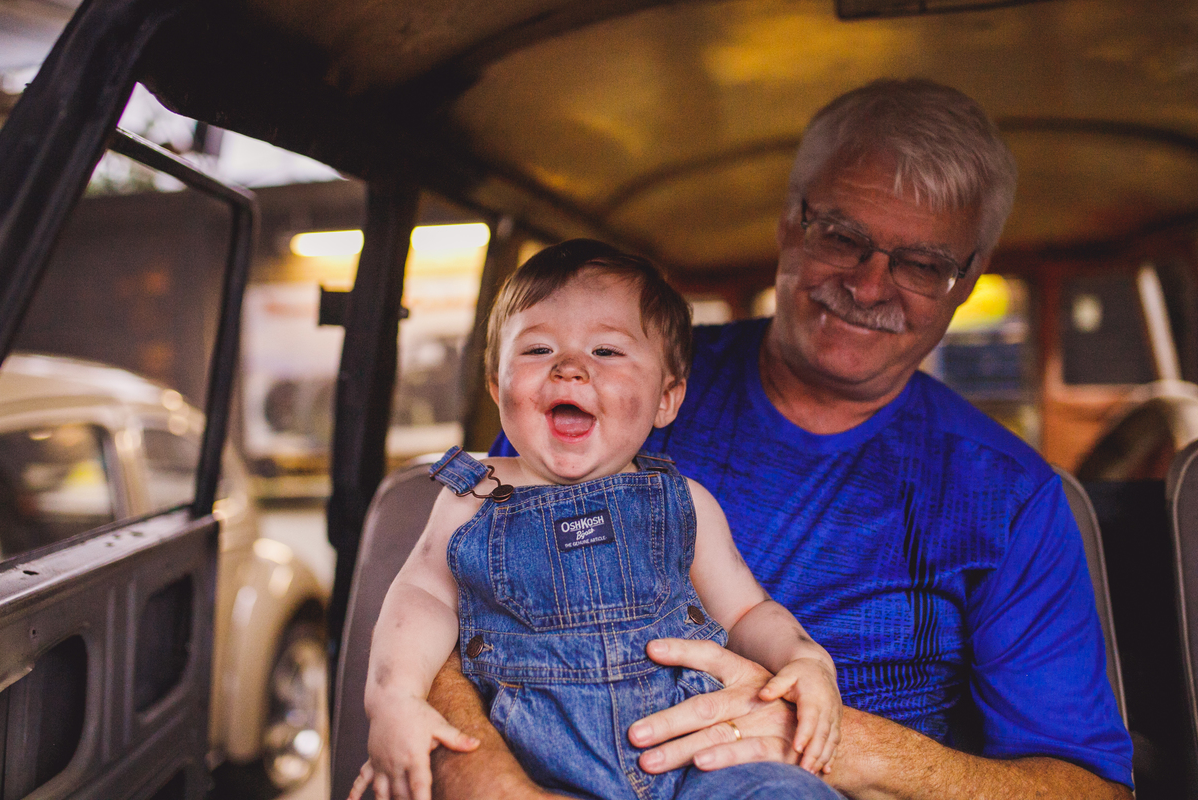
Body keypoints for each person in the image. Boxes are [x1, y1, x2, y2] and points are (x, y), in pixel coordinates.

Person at [379, 78, 1136, 800]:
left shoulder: (1010, 496)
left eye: (922, 263)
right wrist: (482, 778)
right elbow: (454, 598)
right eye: (843, 236)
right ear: (789, 223)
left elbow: (1087, 789)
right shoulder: (606, 385)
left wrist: (836, 743)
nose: (870, 285)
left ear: (967, 280)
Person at [349, 240, 845, 800]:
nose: (570, 368)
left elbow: (748, 611)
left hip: (698, 763)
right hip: (534, 769)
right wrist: (394, 698)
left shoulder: (683, 502)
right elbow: (421, 600)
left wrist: (804, 659)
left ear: (666, 398)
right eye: (537, 349)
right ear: (496, 387)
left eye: (607, 352)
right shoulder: (473, 498)